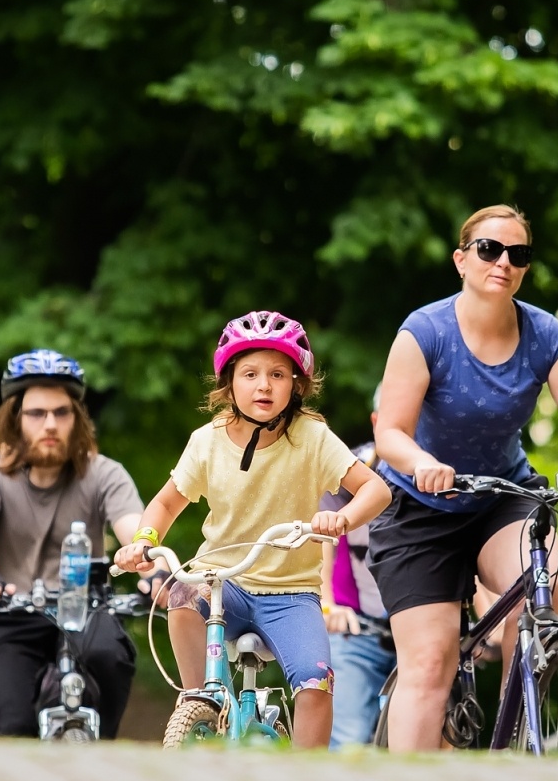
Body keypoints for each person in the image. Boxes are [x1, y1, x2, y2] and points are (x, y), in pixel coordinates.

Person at [370, 204, 558, 753]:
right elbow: (390, 431)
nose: (503, 262)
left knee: (544, 579)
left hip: (499, 496)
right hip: (420, 504)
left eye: (519, 254)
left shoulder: (547, 336)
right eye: (490, 249)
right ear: (462, 260)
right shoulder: (424, 332)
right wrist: (422, 465)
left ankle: (516, 734)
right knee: (431, 664)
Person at [114, 311, 391, 749]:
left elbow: (375, 490)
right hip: (222, 582)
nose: (264, 385)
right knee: (181, 596)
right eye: (250, 373)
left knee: (316, 683)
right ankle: (199, 702)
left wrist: (341, 518)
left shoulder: (313, 438)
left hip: (291, 593)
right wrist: (145, 543)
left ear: (296, 384)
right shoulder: (206, 441)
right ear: (229, 383)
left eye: (278, 374)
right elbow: (167, 502)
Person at [0, 350, 146, 738]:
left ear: (77, 419)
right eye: (37, 414)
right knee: (8, 727)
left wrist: (155, 570)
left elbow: (139, 533)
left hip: (87, 609)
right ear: (14, 418)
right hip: (9, 610)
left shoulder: (104, 473)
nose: (51, 424)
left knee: (109, 655)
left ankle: (99, 748)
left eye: (62, 412)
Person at [320, 390, 392, 751]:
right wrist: (328, 606)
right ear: (377, 422)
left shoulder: (446, 474)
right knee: (347, 739)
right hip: (358, 626)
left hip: (426, 631)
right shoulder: (351, 470)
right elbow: (321, 545)